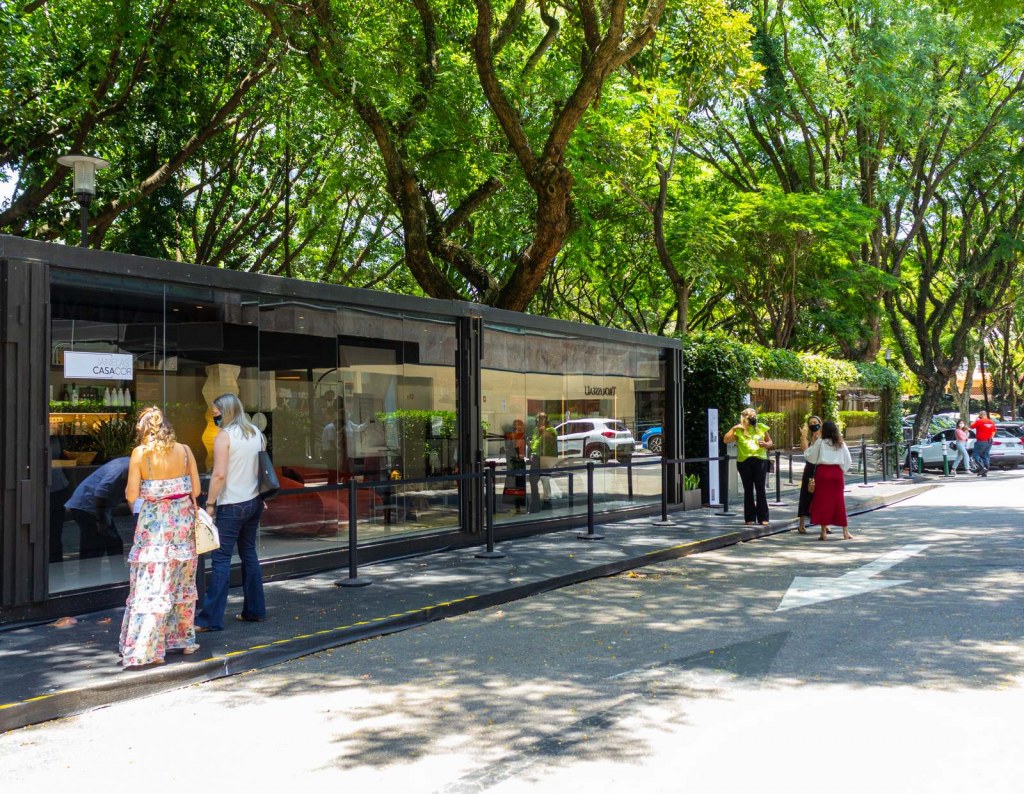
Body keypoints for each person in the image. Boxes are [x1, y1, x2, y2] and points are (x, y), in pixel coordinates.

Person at [119, 407, 201, 668]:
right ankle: (183, 639)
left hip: (155, 529)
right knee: (181, 582)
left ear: (143, 430)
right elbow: (197, 489)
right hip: (183, 526)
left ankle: (150, 648)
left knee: (152, 585)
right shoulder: (185, 451)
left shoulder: (141, 454)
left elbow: (132, 495)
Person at [195, 393, 267, 631]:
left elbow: (219, 474)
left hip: (231, 504)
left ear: (226, 412)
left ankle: (210, 619)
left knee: (221, 560)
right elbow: (261, 470)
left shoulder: (224, 436)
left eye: (216, 413)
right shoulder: (255, 433)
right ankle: (255, 611)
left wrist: (210, 504)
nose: (214, 417)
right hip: (254, 502)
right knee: (249, 554)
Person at [803, 419, 853, 541]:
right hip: (836, 473)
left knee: (822, 502)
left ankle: (823, 532)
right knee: (839, 501)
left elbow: (809, 455)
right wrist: (842, 470)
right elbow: (848, 460)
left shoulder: (820, 442)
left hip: (823, 473)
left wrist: (808, 439)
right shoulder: (840, 443)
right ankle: (845, 532)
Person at [723, 408, 773, 526]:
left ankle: (763, 517)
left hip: (760, 459)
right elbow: (726, 440)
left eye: (755, 416)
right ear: (745, 418)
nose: (753, 418)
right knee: (748, 489)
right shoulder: (739, 430)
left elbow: (770, 442)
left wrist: (766, 444)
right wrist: (734, 428)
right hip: (744, 461)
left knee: (760, 488)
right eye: (751, 416)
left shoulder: (761, 427)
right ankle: (750, 518)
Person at [796, 416, 822, 534]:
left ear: (820, 423)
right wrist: (803, 435)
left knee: (821, 496)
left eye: (815, 422)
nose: (813, 425)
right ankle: (801, 524)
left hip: (821, 467)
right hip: (810, 468)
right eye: (811, 423)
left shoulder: (824, 437)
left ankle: (824, 524)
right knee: (805, 494)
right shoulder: (810, 437)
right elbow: (805, 451)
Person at [529, 412, 558, 512]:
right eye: (539, 418)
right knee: (533, 480)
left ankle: (547, 500)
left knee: (545, 478)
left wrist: (544, 431)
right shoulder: (536, 430)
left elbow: (550, 438)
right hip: (535, 457)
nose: (541, 420)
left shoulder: (550, 430)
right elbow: (534, 443)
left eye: (543, 418)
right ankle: (535, 500)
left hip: (546, 457)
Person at [970, 410, 996, 477]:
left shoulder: (979, 421)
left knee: (976, 455)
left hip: (981, 441)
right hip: (989, 441)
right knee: (985, 455)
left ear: (980, 415)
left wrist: (976, 420)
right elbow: (994, 431)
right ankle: (985, 470)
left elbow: (971, 426)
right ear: (986, 415)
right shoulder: (991, 422)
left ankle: (982, 468)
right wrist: (991, 438)